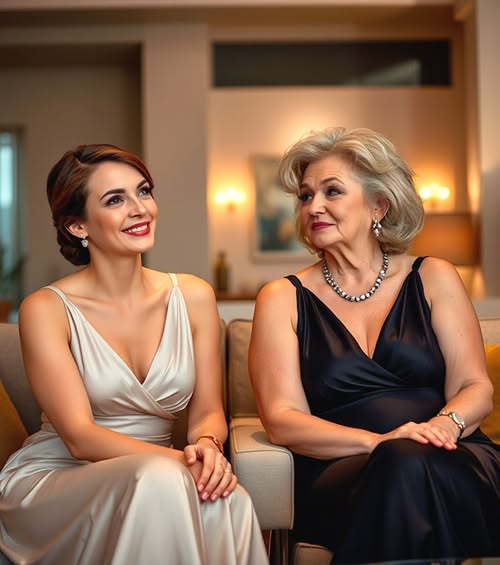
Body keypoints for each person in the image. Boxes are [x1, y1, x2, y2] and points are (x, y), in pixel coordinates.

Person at [0, 144, 268, 565]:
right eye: (115, 200)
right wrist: (180, 460)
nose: (140, 208)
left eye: (143, 191)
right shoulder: (46, 309)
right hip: (60, 478)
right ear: (77, 225)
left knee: (229, 502)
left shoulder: (193, 295)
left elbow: (208, 412)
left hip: (161, 472)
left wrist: (207, 446)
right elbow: (79, 438)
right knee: (162, 479)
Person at [249, 126, 500, 563]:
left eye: (332, 191)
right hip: (343, 470)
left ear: (378, 206)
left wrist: (444, 426)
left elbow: (475, 387)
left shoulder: (434, 276)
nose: (314, 207)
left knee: (411, 467)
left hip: (451, 453)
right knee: (401, 464)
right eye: (306, 196)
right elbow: (282, 421)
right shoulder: (281, 298)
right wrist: (380, 441)